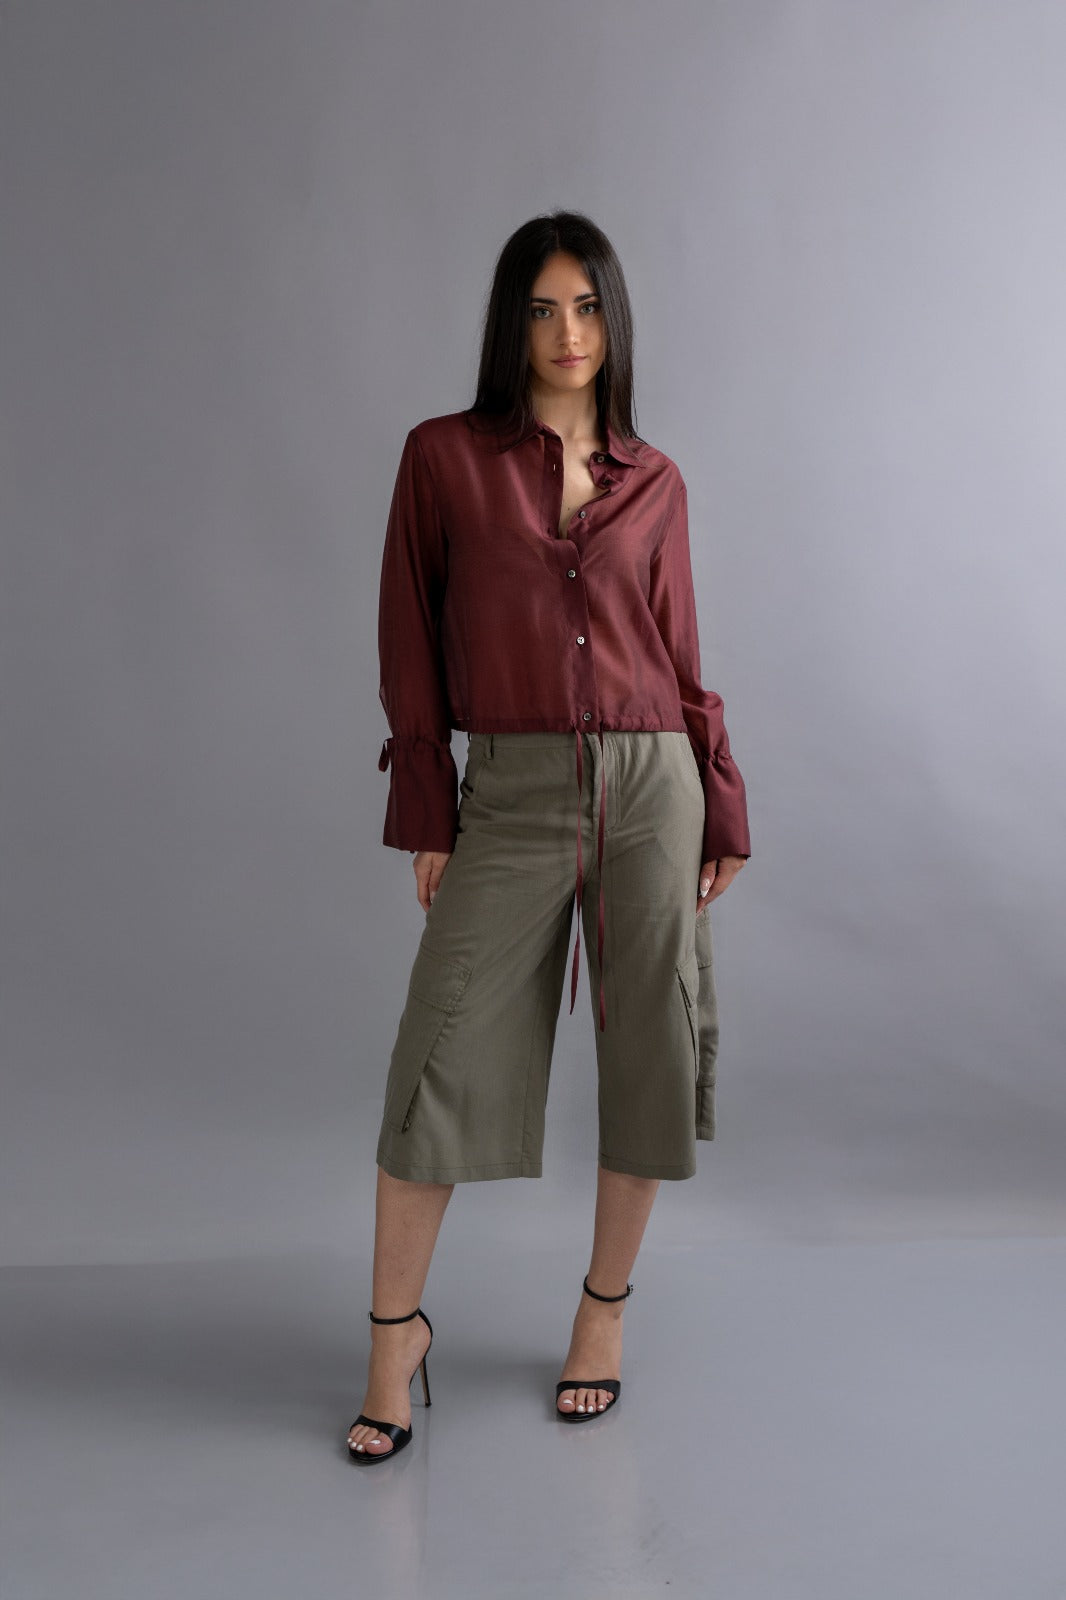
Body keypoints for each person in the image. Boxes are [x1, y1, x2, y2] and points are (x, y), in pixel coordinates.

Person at [348, 210, 751, 1462]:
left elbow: (678, 652)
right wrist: (429, 804)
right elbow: (409, 636)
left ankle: (601, 1312)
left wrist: (720, 797)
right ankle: (392, 1337)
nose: (566, 332)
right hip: (513, 791)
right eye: (540, 308)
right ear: (509, 323)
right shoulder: (442, 459)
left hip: (651, 785)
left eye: (585, 307)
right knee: (437, 1058)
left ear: (611, 320)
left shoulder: (655, 479)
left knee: (649, 1057)